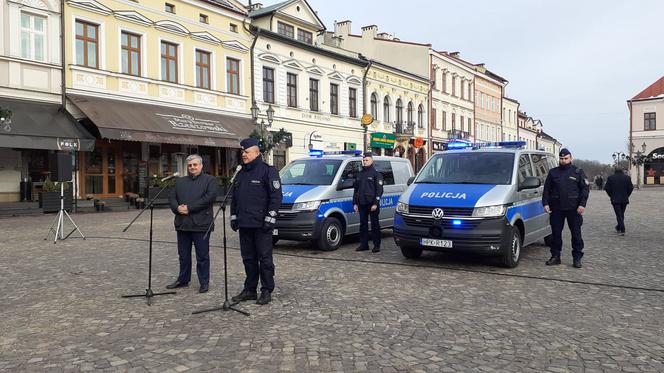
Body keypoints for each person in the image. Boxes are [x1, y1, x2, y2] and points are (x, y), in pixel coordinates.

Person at [230, 138, 282, 305]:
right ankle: (250, 289)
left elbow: (276, 196)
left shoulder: (268, 171)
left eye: (246, 152)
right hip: (244, 223)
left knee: (264, 259)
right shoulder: (240, 172)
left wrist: (270, 217)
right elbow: (235, 198)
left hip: (261, 224)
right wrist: (233, 216)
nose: (243, 154)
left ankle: (267, 290)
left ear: (257, 152)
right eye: (242, 152)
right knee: (248, 259)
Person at [166, 154, 218, 293]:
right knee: (183, 255)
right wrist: (177, 208)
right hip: (182, 223)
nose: (192, 167)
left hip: (201, 224)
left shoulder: (210, 180)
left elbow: (209, 199)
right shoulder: (180, 182)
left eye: (195, 165)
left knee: (202, 256)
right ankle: (183, 279)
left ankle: (204, 282)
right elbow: (172, 198)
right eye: (190, 165)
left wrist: (189, 208)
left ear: (201, 166)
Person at [542, 148, 590, 268]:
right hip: (557, 208)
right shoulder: (553, 172)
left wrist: (582, 204)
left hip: (573, 209)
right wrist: (545, 203)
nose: (563, 160)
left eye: (566, 158)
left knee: (576, 234)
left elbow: (585, 189)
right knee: (556, 234)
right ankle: (555, 256)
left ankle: (577, 258)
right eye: (561, 158)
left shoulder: (578, 172)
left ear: (570, 158)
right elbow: (546, 189)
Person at [353, 152, 384, 253]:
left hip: (372, 204)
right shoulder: (360, 174)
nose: (365, 162)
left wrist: (376, 203)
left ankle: (376, 245)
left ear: (372, 161)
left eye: (367, 160)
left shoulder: (376, 174)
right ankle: (364, 244)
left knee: (375, 225)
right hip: (362, 203)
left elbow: (379, 190)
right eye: (364, 160)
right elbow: (356, 190)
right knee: (363, 225)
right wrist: (355, 203)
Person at [604, 166, 634, 236]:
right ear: (622, 170)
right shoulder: (627, 178)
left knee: (619, 214)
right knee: (621, 214)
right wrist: (627, 195)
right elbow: (631, 188)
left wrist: (611, 195)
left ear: (615, 170)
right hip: (624, 198)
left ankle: (622, 229)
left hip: (615, 199)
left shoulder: (611, 178)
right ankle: (618, 227)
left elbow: (607, 188)